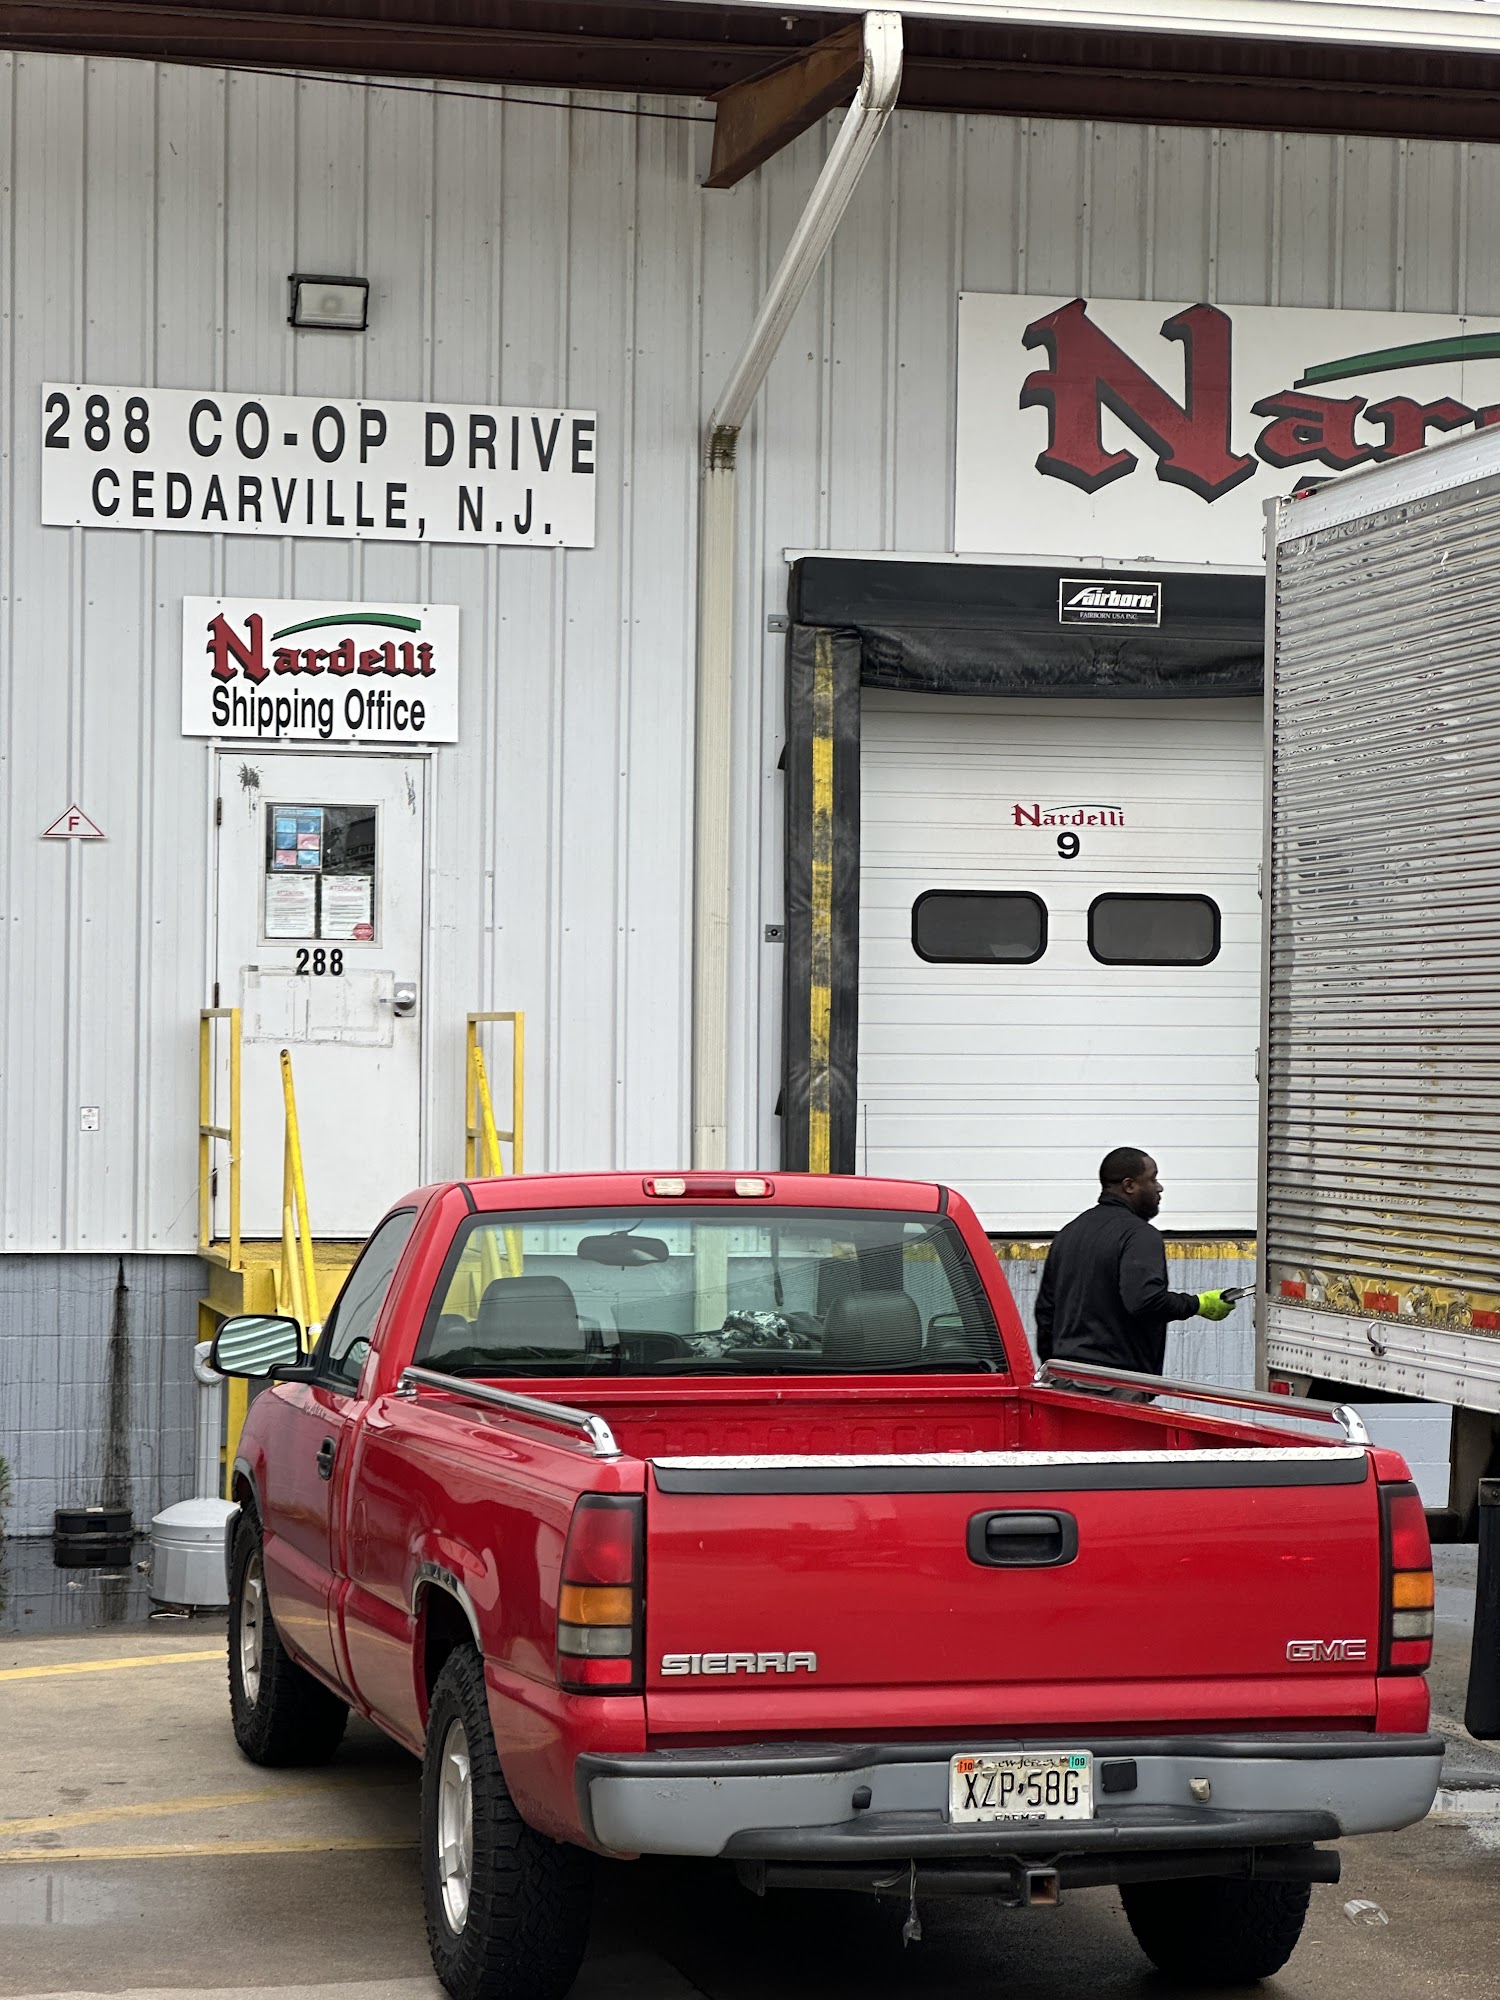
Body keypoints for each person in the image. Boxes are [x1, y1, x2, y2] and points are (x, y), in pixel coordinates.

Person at [1034, 1147, 1236, 1380]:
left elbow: (1045, 1311)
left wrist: (1056, 1370)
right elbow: (1146, 1301)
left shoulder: (1068, 1234)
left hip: (1064, 1379)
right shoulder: (1140, 1235)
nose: (1159, 1187)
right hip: (1117, 1383)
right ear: (1129, 1186)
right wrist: (1198, 1304)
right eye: (1152, 1179)